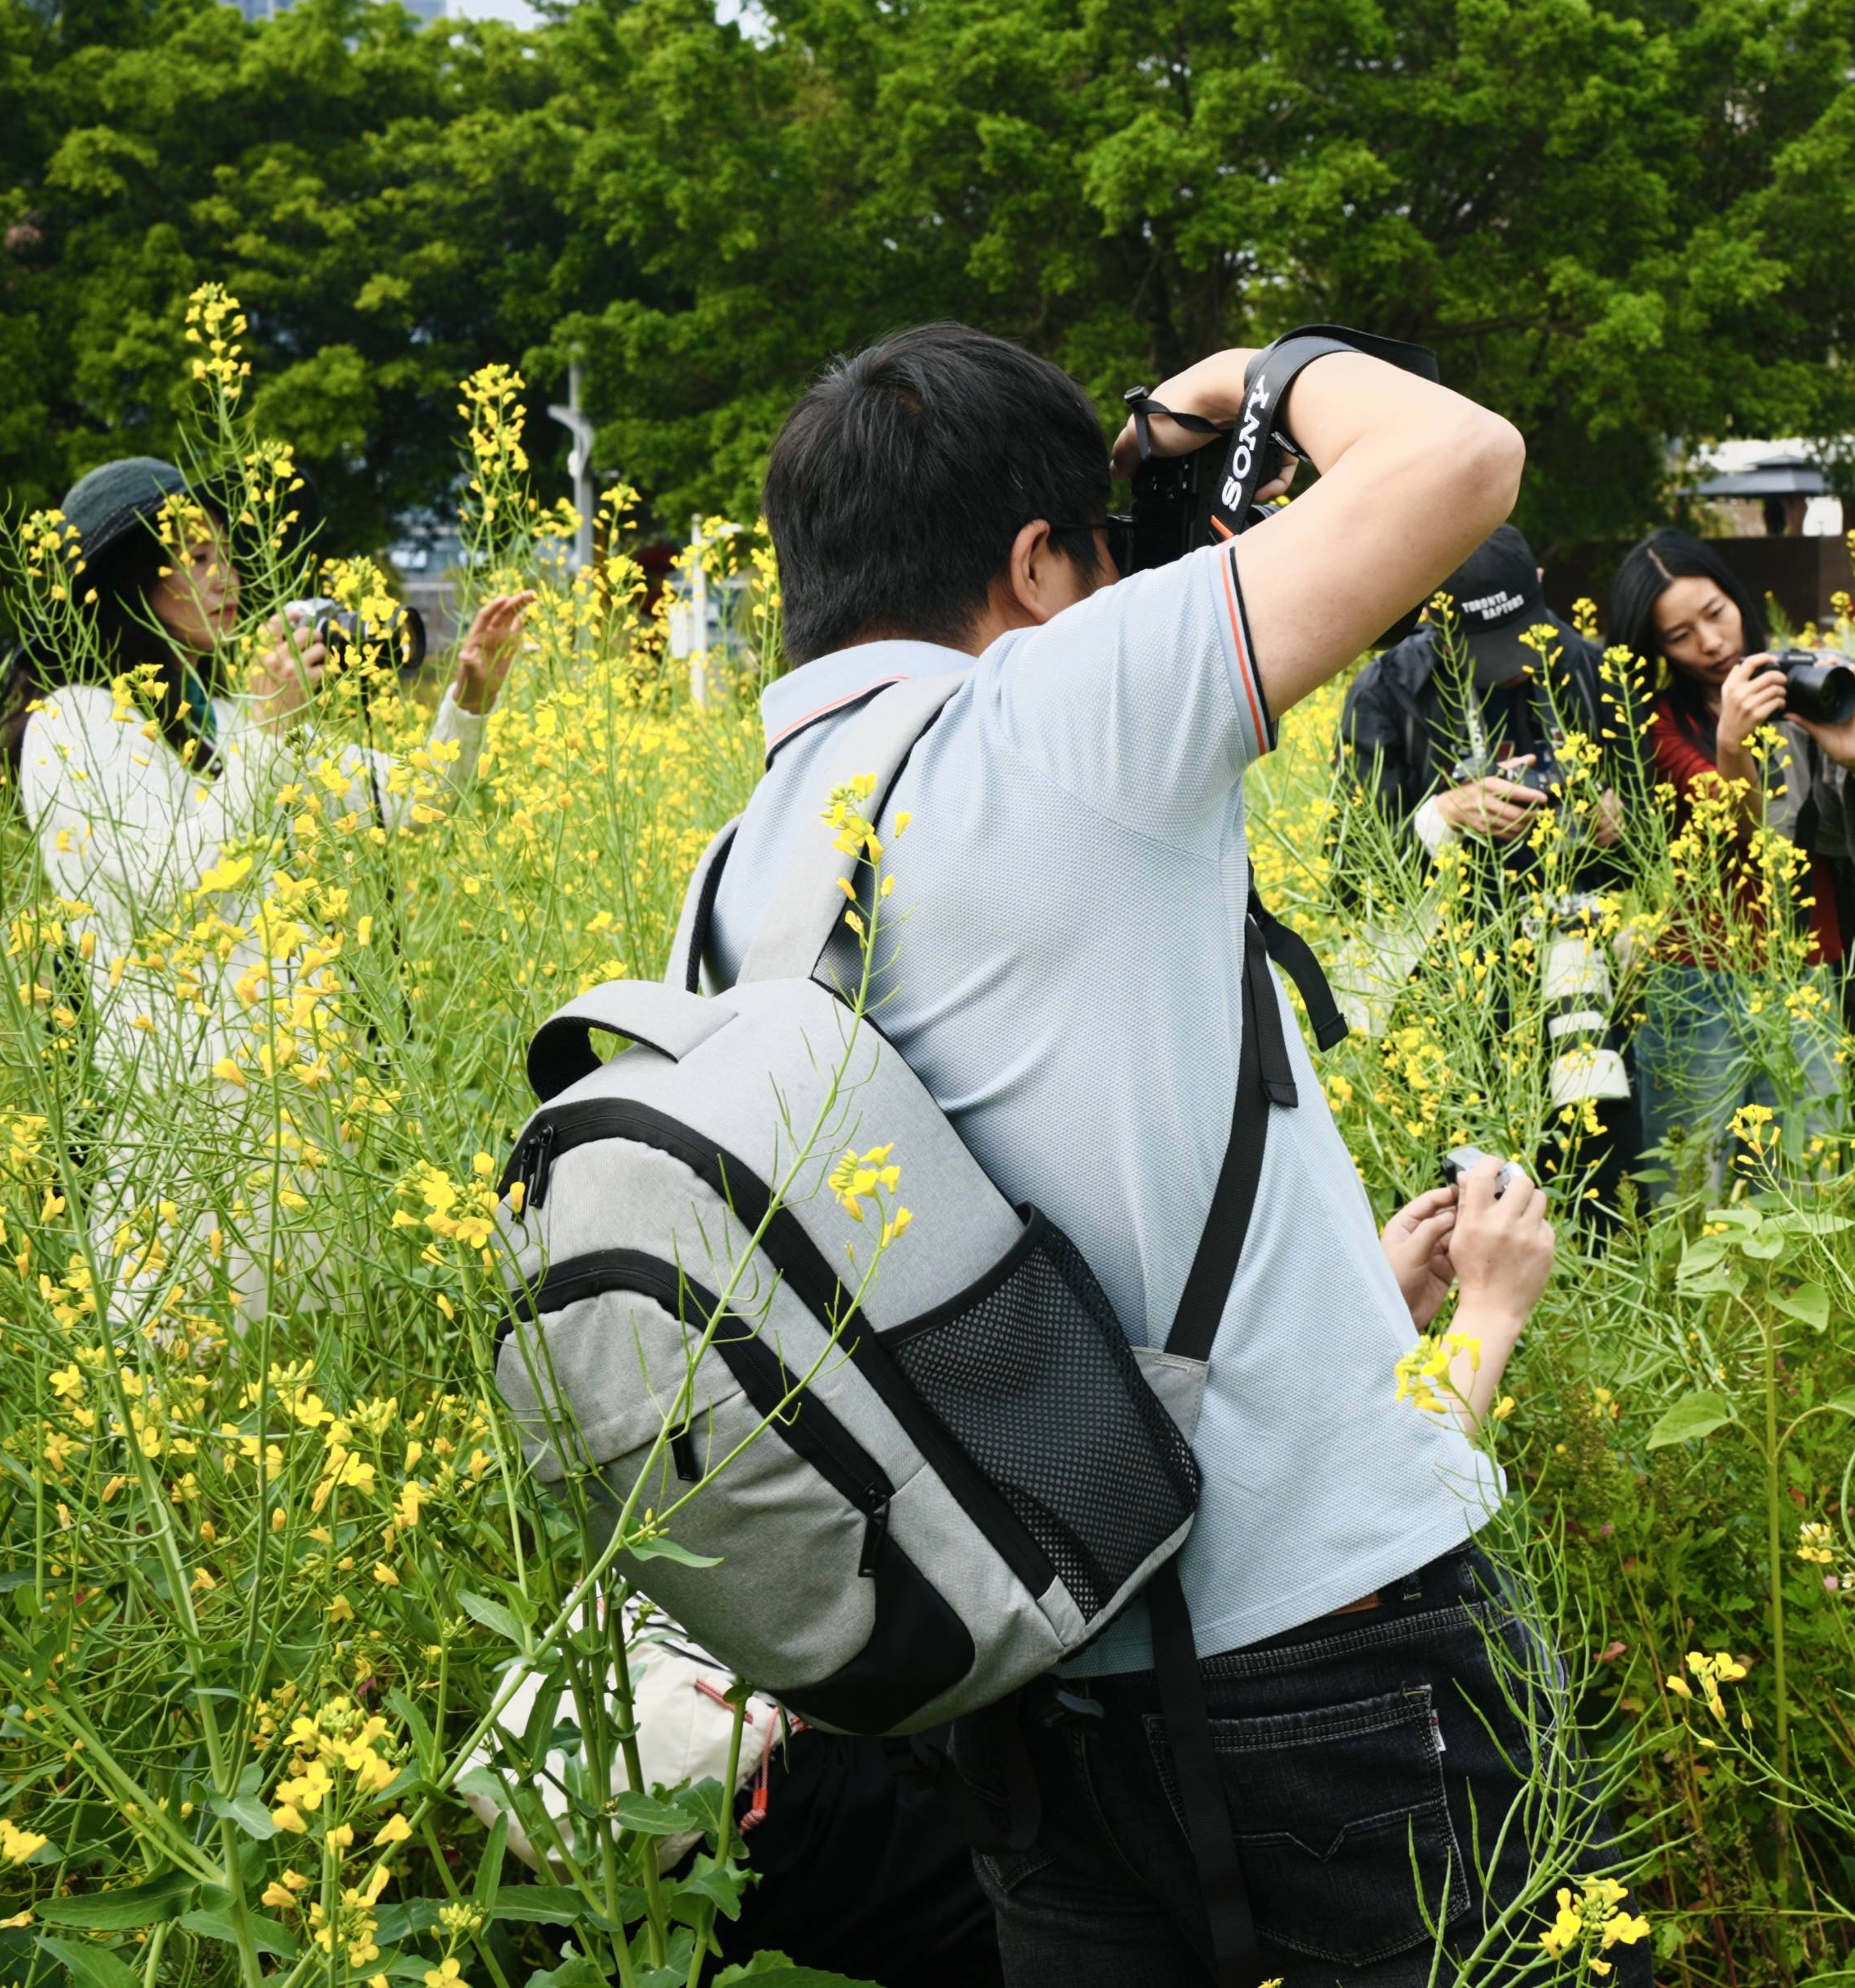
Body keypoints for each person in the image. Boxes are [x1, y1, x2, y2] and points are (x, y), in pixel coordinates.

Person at [685, 322, 1601, 1984]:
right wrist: (1254, 367)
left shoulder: (734, 876)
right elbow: (1463, 458)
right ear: (1037, 564)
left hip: (1025, 1703)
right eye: (1102, 558)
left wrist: (1326, 1292)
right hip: (1331, 1667)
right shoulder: (1051, 713)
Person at [10, 456, 533, 1314]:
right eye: (195, 558)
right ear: (125, 583)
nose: (227, 578)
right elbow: (176, 889)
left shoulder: (223, 718)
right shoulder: (71, 724)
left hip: (301, 1145)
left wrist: (468, 696)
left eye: (223, 555)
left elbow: (415, 799)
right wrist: (269, 727)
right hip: (185, 1147)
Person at [1604, 528, 1855, 1197]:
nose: (1712, 643)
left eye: (1716, 613)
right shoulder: (1655, 723)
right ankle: (1692, 1309)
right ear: (1653, 647)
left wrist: (1853, 754)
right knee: (1685, 1191)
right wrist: (1732, 741)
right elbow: (1742, 834)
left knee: (1801, 1186)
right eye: (1680, 635)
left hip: (1808, 968)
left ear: (1736, 595)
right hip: (1694, 982)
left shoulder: (1823, 679)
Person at [1338, 524, 1646, 1199]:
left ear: (1538, 590)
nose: (1514, 665)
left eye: (1523, 638)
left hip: (1582, 977)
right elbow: (1353, 879)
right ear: (1433, 620)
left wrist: (1617, 825)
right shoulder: (1386, 693)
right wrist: (1442, 817)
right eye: (1485, 652)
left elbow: (1661, 848)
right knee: (1457, 1192)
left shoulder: (1592, 669)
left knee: (1595, 1180)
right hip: (1447, 997)